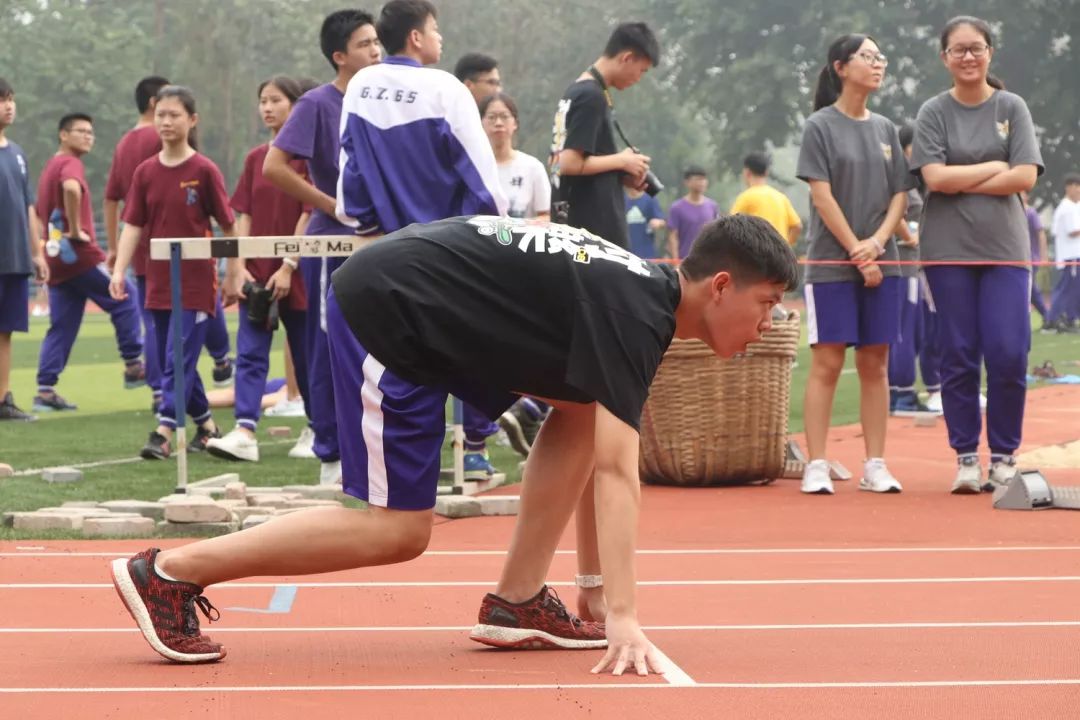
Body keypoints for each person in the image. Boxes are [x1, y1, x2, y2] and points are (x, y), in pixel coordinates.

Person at [108, 213, 798, 675]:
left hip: (426, 298)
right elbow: (621, 474)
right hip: (393, 311)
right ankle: (168, 573)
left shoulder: (637, 292)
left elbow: (596, 446)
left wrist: (592, 588)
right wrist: (623, 617)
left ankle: (518, 600)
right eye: (767, 304)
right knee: (397, 531)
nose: (770, 322)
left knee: (582, 412)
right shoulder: (634, 310)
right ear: (720, 286)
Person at [336, 0, 508, 481]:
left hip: (387, 250)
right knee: (467, 339)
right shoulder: (446, 88)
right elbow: (481, 178)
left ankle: (397, 469)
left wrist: (366, 226)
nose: (440, 39)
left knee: (398, 357)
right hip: (449, 247)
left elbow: (349, 175)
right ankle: (481, 439)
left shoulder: (361, 86)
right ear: (416, 37)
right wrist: (493, 232)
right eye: (435, 29)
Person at [911, 15, 1043, 494]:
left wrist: (963, 174)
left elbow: (1025, 177)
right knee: (959, 354)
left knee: (1009, 351)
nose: (968, 57)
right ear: (944, 58)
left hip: (1006, 249)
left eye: (977, 48)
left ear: (990, 52)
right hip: (947, 251)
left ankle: (1005, 455)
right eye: (958, 50)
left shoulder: (1012, 107)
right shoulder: (933, 112)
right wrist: (994, 166)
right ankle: (966, 456)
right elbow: (934, 180)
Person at [264, 8, 382, 484]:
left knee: (383, 346)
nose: (375, 51)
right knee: (327, 344)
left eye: (378, 42)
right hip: (332, 242)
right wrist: (332, 206)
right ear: (339, 56)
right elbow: (275, 167)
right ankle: (330, 454)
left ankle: (379, 452)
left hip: (382, 238)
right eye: (365, 44)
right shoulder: (316, 103)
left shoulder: (382, 100)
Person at [797, 33, 911, 496]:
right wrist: (856, 250)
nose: (878, 63)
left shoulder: (886, 129)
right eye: (868, 56)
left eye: (881, 57)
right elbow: (821, 195)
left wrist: (877, 244)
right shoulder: (819, 127)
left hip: (884, 262)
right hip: (831, 263)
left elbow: (901, 194)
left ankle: (875, 464)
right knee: (826, 362)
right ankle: (818, 462)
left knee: (876, 363)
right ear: (841, 67)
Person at [108, 85, 241, 459]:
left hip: (196, 283)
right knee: (173, 359)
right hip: (157, 283)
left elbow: (228, 227)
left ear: (192, 120)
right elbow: (132, 224)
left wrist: (233, 274)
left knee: (175, 358)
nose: (165, 122)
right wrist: (119, 271)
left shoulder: (204, 170)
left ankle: (165, 429)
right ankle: (208, 427)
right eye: (160, 115)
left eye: (174, 115)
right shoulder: (145, 172)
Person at [205, 77, 311, 463]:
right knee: (249, 354)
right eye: (262, 101)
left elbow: (308, 213)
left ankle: (318, 429)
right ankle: (245, 431)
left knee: (306, 354)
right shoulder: (254, 159)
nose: (267, 107)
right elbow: (244, 214)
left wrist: (288, 266)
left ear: (296, 106)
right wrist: (240, 266)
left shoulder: (309, 158)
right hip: (256, 275)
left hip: (298, 273)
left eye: (275, 100)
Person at [32, 113, 144, 413]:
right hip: (78, 253)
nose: (87, 136)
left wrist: (42, 248)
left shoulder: (48, 168)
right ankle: (134, 363)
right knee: (125, 296)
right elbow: (71, 188)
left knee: (63, 324)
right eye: (80, 131)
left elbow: (36, 212)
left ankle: (45, 389)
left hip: (57, 259)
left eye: (90, 132)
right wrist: (74, 229)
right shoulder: (70, 164)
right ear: (63, 136)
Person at [549, 22, 659, 249]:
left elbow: (575, 160)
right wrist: (622, 160)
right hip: (591, 228)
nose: (639, 78)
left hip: (575, 219)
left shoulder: (579, 90)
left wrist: (623, 172)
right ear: (627, 58)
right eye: (642, 70)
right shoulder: (591, 96)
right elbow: (568, 162)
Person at [0, 77, 48, 421]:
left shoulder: (16, 154)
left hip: (14, 259)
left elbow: (29, 206)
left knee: (5, 331)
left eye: (11, 99)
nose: (8, 105)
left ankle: (2, 398)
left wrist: (37, 252)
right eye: (2, 99)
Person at [887, 123, 934, 416]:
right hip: (905, 264)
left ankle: (897, 394)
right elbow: (894, 210)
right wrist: (910, 235)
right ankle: (902, 394)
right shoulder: (904, 177)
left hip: (905, 263)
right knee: (905, 330)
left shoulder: (910, 177)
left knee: (904, 330)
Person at [481, 92, 549, 220]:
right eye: (491, 117)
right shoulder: (475, 168)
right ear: (481, 123)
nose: (498, 123)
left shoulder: (533, 167)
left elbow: (545, 214)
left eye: (504, 116)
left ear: (515, 123)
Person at [730, 152, 802, 247]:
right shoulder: (780, 197)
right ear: (766, 172)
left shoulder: (745, 198)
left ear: (747, 172)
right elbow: (797, 226)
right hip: (779, 256)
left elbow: (730, 227)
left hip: (757, 254)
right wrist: (786, 246)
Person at [1046, 174, 1080, 332]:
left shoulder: (1074, 206)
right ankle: (1054, 319)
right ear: (1069, 187)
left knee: (1074, 288)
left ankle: (1070, 318)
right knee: (1065, 288)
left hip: (1074, 255)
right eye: (1076, 186)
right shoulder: (1066, 208)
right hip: (1069, 256)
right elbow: (1072, 231)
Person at [667, 166, 720, 259]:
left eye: (704, 179)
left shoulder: (712, 206)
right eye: (698, 179)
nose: (702, 183)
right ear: (687, 182)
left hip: (708, 260)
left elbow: (717, 234)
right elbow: (673, 237)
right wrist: (676, 261)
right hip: (685, 260)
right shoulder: (677, 208)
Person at [625, 186, 665, 260]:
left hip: (646, 252)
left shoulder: (650, 199)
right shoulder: (621, 200)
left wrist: (658, 223)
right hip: (625, 252)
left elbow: (663, 222)